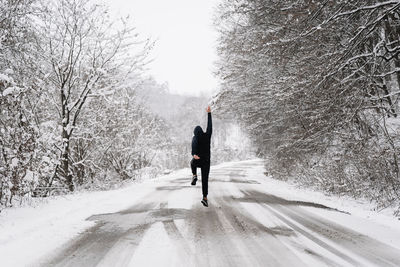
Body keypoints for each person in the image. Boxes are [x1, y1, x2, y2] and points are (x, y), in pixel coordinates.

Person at [191, 105, 212, 207]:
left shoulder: (195, 138)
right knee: (205, 180)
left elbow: (194, 146)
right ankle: (205, 198)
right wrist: (209, 113)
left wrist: (194, 154)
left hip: (198, 160)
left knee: (192, 162)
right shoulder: (207, 135)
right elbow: (210, 126)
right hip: (206, 161)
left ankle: (194, 175)